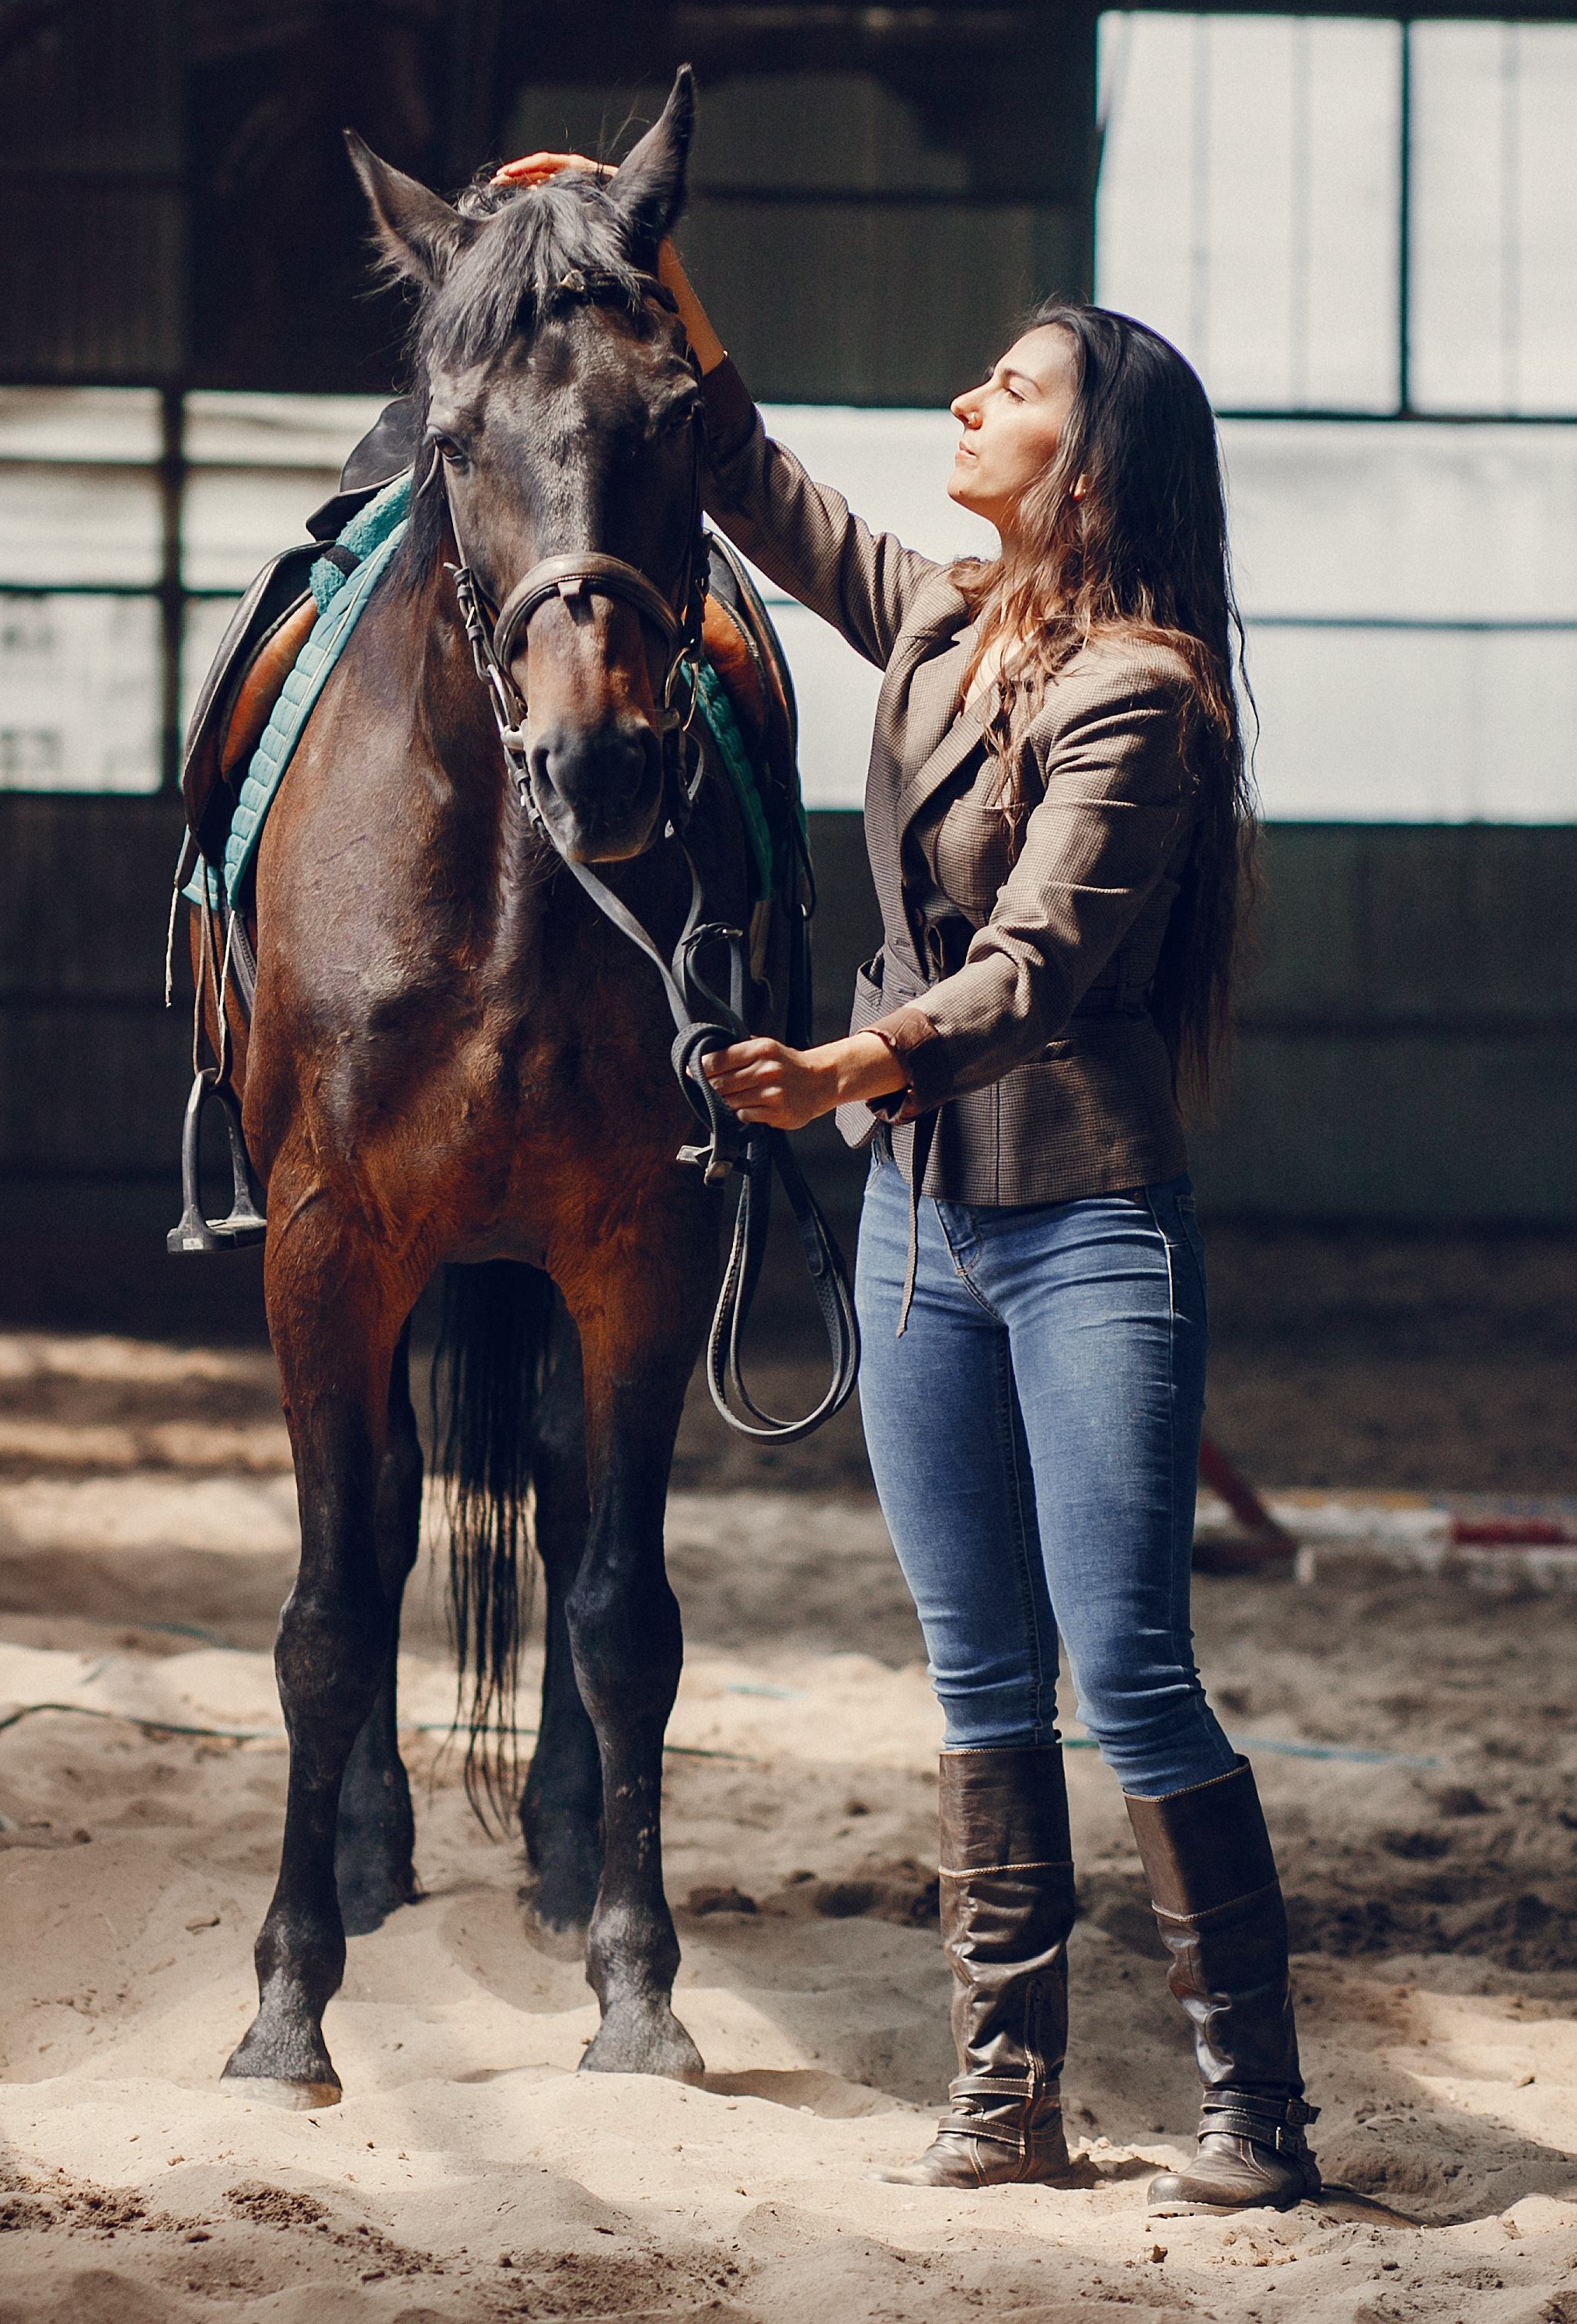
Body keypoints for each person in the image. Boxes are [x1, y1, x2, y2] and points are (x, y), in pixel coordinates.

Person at [494, 145, 1310, 2211]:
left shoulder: (1148, 698)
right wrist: (643, 243)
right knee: (972, 1675)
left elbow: (1036, 965)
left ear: (1094, 466)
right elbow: (751, 470)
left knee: (1126, 1670)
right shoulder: (941, 622)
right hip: (919, 1230)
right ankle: (1009, 2087)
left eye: (1010, 389)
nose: (967, 406)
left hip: (1081, 1229)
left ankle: (1256, 2107)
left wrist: (848, 1063)